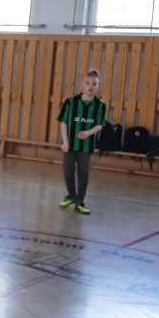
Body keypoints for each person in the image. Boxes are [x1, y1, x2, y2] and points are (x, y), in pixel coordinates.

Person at [57, 69, 105, 215]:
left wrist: (88, 133)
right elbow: (63, 121)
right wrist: (65, 141)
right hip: (70, 143)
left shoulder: (100, 105)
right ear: (82, 85)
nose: (90, 86)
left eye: (94, 84)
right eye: (87, 83)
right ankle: (71, 194)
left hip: (86, 146)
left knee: (83, 172)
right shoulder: (71, 102)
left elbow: (100, 124)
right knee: (67, 168)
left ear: (97, 87)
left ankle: (80, 201)